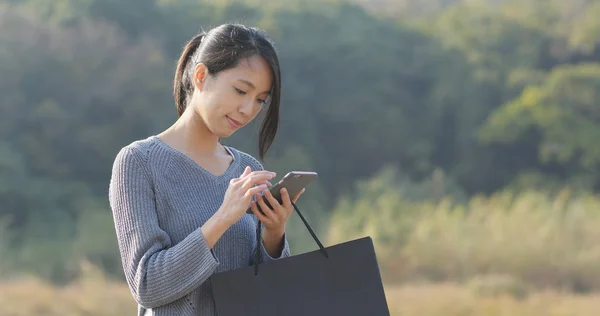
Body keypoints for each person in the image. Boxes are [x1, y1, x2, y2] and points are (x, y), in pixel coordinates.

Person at [108, 23, 303, 316]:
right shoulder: (138, 162)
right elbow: (147, 285)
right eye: (240, 90)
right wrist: (222, 218)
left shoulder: (248, 168)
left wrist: (274, 235)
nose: (248, 109)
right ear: (201, 76)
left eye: (260, 100)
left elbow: (270, 293)